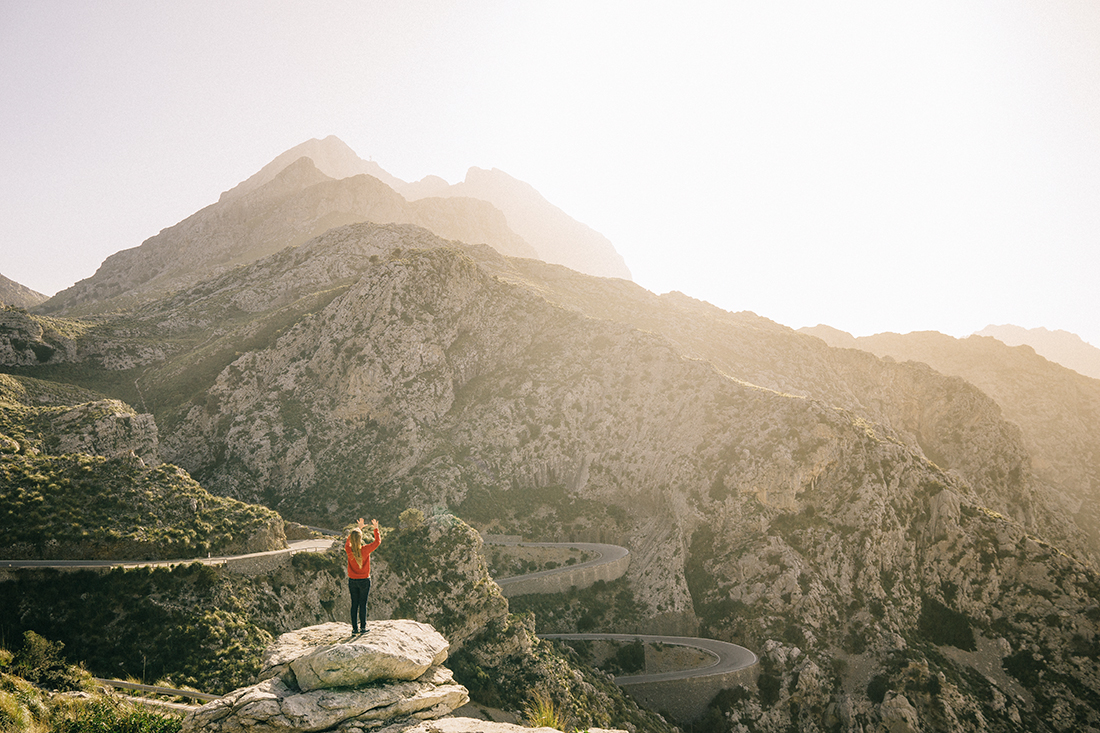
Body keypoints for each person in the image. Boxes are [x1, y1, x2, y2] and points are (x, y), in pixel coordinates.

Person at [345, 517, 381, 635]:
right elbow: (377, 542)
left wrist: (358, 529)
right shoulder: (365, 550)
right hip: (364, 580)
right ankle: (363, 627)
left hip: (352, 580)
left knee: (354, 604)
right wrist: (376, 529)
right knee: (363, 604)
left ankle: (354, 629)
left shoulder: (348, 550)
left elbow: (348, 541)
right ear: (361, 539)